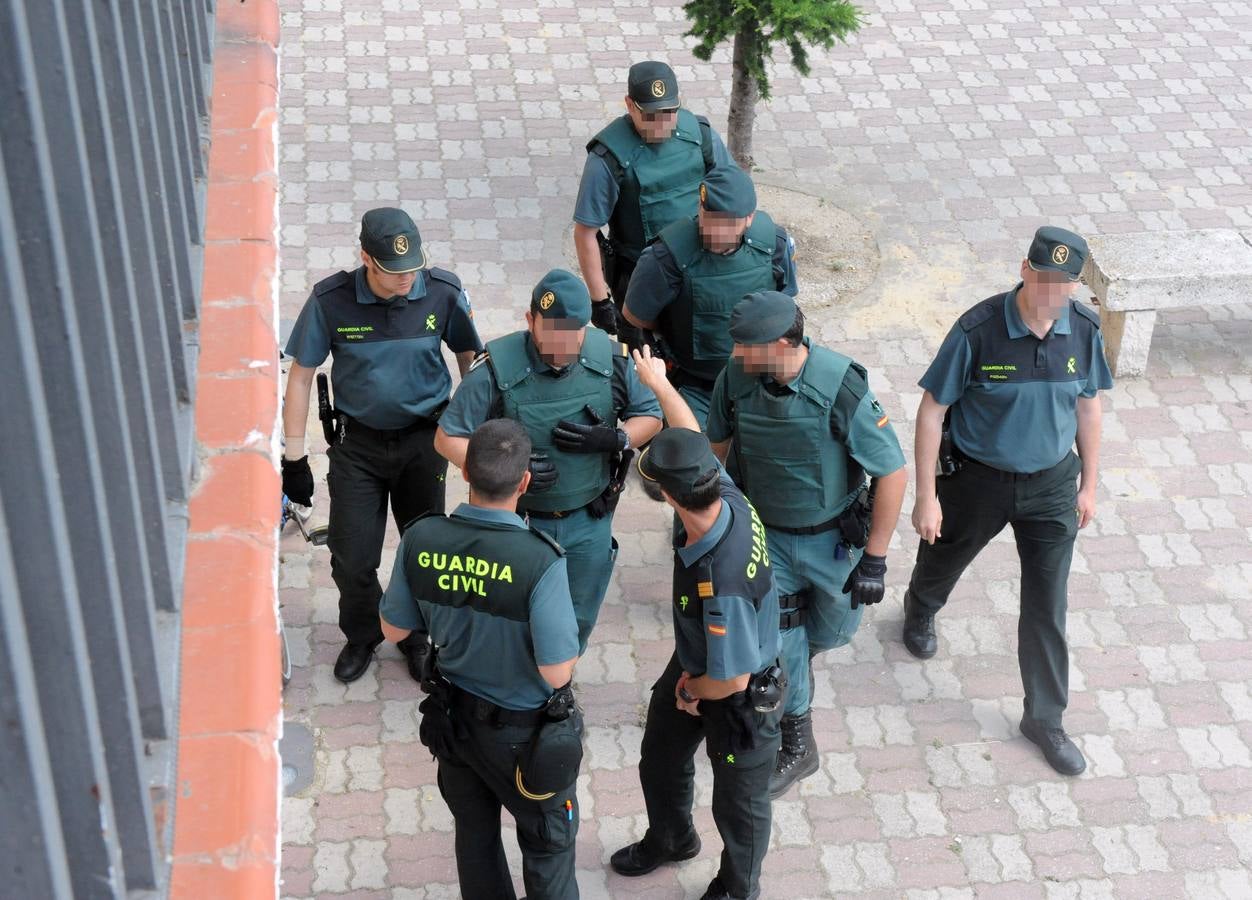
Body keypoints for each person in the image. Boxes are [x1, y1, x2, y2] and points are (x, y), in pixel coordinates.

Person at [903, 226, 1114, 776]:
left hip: (1050, 487)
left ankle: (1045, 718)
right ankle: (921, 609)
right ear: (1025, 268)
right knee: (944, 554)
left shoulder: (1085, 331)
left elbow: (1088, 407)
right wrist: (927, 496)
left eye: (1064, 284)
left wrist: (1090, 483)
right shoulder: (979, 330)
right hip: (978, 480)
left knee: (1049, 603)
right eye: (1045, 279)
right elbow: (932, 410)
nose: (1052, 292)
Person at [706, 291, 908, 799]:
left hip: (831, 545)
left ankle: (796, 661)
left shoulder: (840, 389)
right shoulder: (735, 380)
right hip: (767, 536)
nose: (736, 356)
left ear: (780, 343)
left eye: (746, 346)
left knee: (835, 631)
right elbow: (716, 452)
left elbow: (893, 472)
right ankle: (798, 741)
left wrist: (877, 559)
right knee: (780, 638)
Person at [380, 419, 582, 900]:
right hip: (524, 741)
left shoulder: (422, 538)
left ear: (465, 472)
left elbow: (393, 629)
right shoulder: (541, 561)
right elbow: (558, 671)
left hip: (456, 727)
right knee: (547, 848)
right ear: (526, 482)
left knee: (474, 839)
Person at [281, 207, 482, 683]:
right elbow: (302, 376)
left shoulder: (442, 293)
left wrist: (471, 430)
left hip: (425, 443)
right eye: (394, 272)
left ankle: (415, 635)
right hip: (359, 447)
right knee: (352, 556)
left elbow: (471, 358)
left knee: (424, 548)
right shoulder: (330, 301)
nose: (406, 279)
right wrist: (294, 457)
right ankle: (364, 633)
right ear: (366, 258)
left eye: (412, 267)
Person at [610, 349, 783, 900]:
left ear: (668, 494)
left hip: (735, 693)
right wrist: (660, 383)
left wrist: (691, 692)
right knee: (659, 759)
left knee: (739, 804)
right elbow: (688, 433)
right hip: (699, 660)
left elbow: (730, 681)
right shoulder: (720, 489)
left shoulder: (722, 574)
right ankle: (672, 839)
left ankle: (738, 887)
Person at [434, 269, 663, 652]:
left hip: (588, 519)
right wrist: (508, 470)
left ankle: (560, 687)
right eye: (551, 329)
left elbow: (651, 416)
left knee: (577, 617)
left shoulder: (610, 359)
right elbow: (447, 438)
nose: (561, 341)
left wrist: (618, 438)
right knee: (511, 614)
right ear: (530, 321)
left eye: (571, 331)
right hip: (518, 523)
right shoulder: (497, 368)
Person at [623, 165, 798, 427]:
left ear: (749, 218)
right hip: (695, 385)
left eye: (727, 223)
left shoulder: (774, 244)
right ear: (700, 207)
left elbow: (785, 309)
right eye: (709, 218)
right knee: (694, 459)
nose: (716, 231)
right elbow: (635, 317)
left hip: (760, 379)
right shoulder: (667, 256)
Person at [573, 60, 731, 344]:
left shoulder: (700, 135)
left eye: (669, 112)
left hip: (699, 270)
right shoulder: (609, 157)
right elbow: (586, 231)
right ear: (629, 105)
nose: (662, 123)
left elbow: (730, 193)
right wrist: (599, 301)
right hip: (641, 284)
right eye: (651, 115)